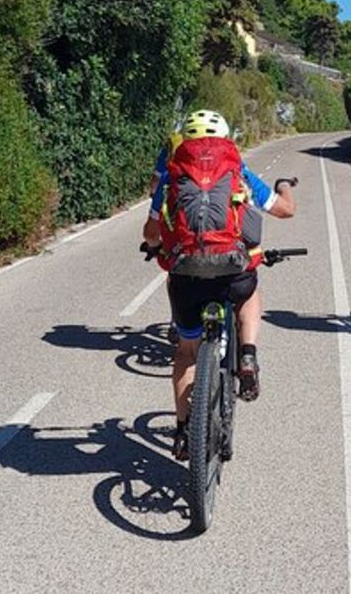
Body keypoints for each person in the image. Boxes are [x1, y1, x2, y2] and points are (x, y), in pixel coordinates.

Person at [142, 110, 296, 461]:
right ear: (226, 139)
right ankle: (248, 355)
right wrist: (285, 187)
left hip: (186, 276)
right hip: (231, 272)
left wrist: (155, 246)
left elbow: (150, 234)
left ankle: (182, 431)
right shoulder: (237, 171)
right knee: (249, 292)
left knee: (184, 353)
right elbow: (285, 210)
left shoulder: (170, 179)